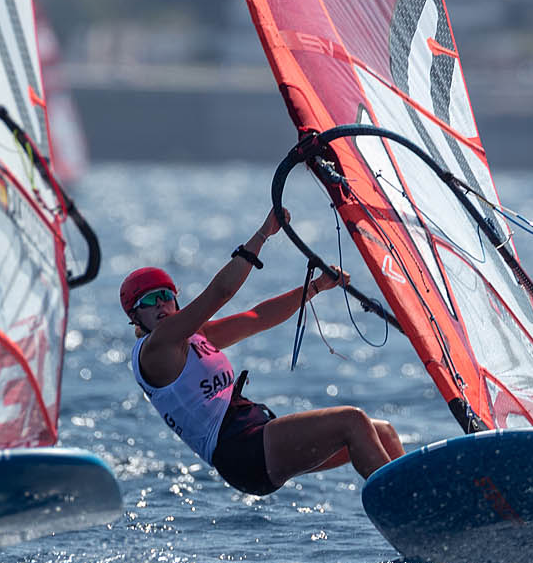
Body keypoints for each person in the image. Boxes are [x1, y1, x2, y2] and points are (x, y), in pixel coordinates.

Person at [123, 208, 404, 496]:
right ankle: (404, 504)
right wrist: (263, 233)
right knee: (352, 420)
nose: (161, 305)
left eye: (166, 296)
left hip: (258, 438)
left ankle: (428, 506)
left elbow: (258, 317)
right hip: (243, 451)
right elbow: (220, 292)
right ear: (135, 316)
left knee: (383, 433)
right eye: (150, 301)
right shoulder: (155, 348)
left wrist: (316, 287)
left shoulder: (198, 336)